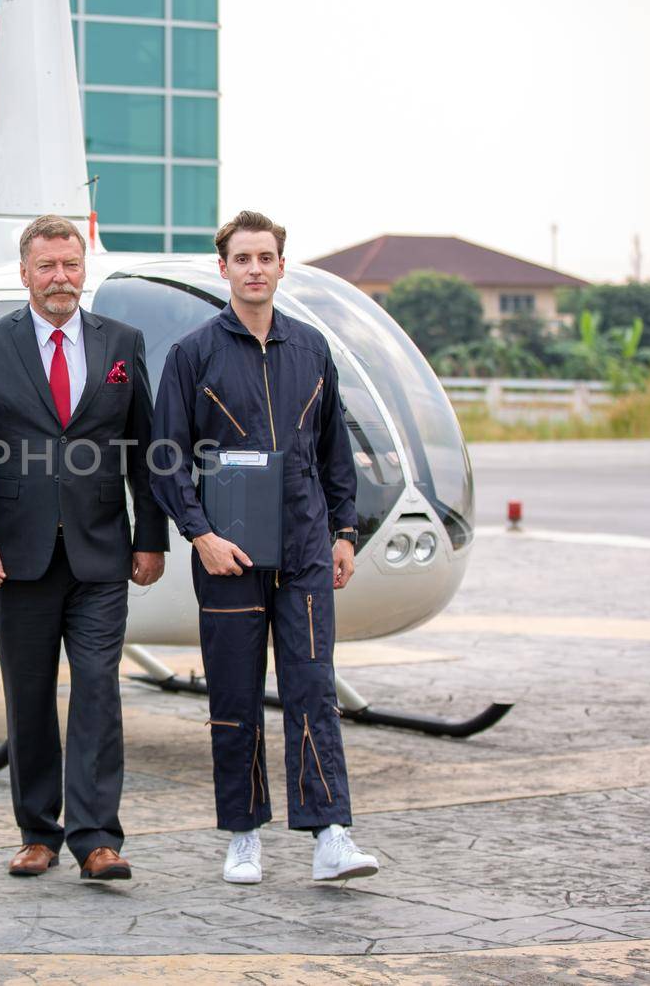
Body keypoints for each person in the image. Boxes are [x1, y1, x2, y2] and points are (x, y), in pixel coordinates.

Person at [149, 210, 379, 885]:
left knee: (312, 685)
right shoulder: (194, 354)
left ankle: (330, 831)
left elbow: (335, 451)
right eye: (242, 258)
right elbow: (166, 458)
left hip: (306, 546)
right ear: (223, 269)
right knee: (234, 691)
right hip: (228, 552)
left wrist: (343, 532)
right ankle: (243, 834)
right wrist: (201, 534)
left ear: (281, 266)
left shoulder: (312, 348)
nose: (254, 268)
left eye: (265, 257)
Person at [0, 214, 168, 883]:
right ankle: (38, 832)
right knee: (30, 693)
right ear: (25, 274)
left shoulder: (122, 342)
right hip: (17, 556)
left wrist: (151, 536)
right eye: (47, 266)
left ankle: (97, 835)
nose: (60, 277)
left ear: (83, 268)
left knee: (98, 689)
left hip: (102, 552)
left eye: (70, 264)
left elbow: (145, 451)